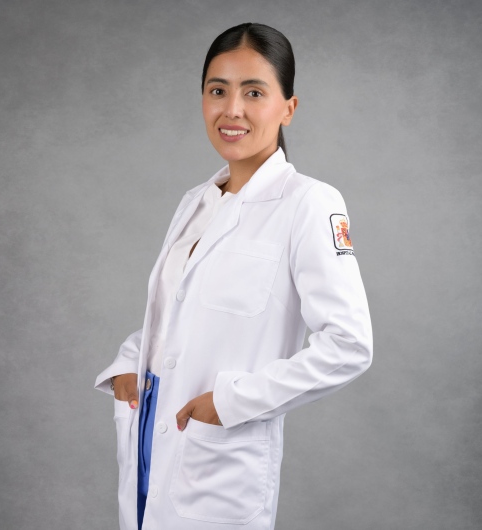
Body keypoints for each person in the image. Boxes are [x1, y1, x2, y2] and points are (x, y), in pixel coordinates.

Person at [94, 22, 372, 530]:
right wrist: (129, 365)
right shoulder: (195, 202)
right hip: (149, 438)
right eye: (217, 91)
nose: (232, 109)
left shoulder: (309, 203)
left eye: (254, 93)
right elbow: (175, 316)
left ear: (288, 107)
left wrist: (232, 402)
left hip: (218, 460)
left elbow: (349, 345)